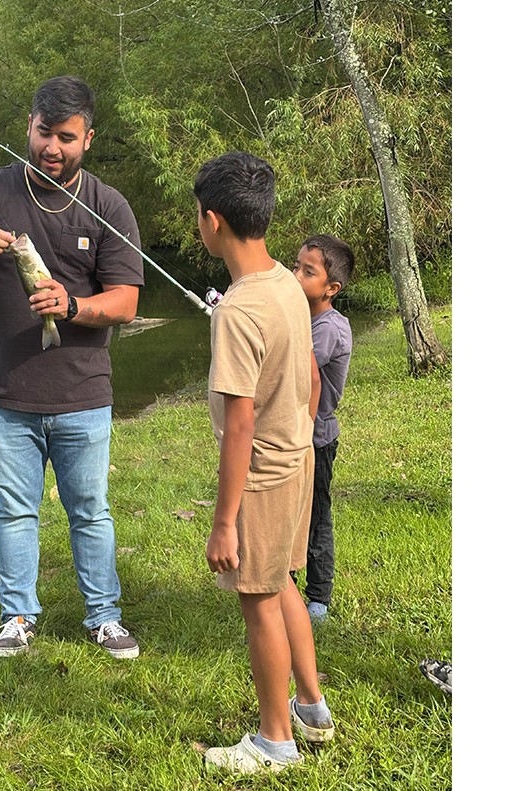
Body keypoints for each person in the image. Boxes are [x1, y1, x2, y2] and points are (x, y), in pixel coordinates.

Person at [0, 76, 143, 659]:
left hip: (81, 393)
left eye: (66, 137)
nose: (53, 147)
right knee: (15, 511)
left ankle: (104, 616)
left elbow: (125, 303)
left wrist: (72, 305)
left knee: (90, 511)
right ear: (29, 127)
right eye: (44, 133)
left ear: (88, 139)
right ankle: (17, 616)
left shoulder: (107, 205)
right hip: (4, 391)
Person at [194, 152, 334, 776]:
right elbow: (306, 374)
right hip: (298, 460)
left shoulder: (236, 311)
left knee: (259, 601)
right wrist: (299, 433)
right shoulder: (284, 283)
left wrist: (225, 520)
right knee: (282, 585)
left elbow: (240, 426)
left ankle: (276, 741)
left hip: (262, 480)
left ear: (212, 220)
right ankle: (312, 706)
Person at [292, 234, 354, 622]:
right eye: (295, 266)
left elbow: (294, 366)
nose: (296, 275)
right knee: (290, 514)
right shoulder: (305, 319)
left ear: (332, 288)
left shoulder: (329, 327)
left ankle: (318, 596)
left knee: (315, 516)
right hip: (294, 434)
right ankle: (286, 583)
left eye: (307, 271)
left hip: (316, 439)